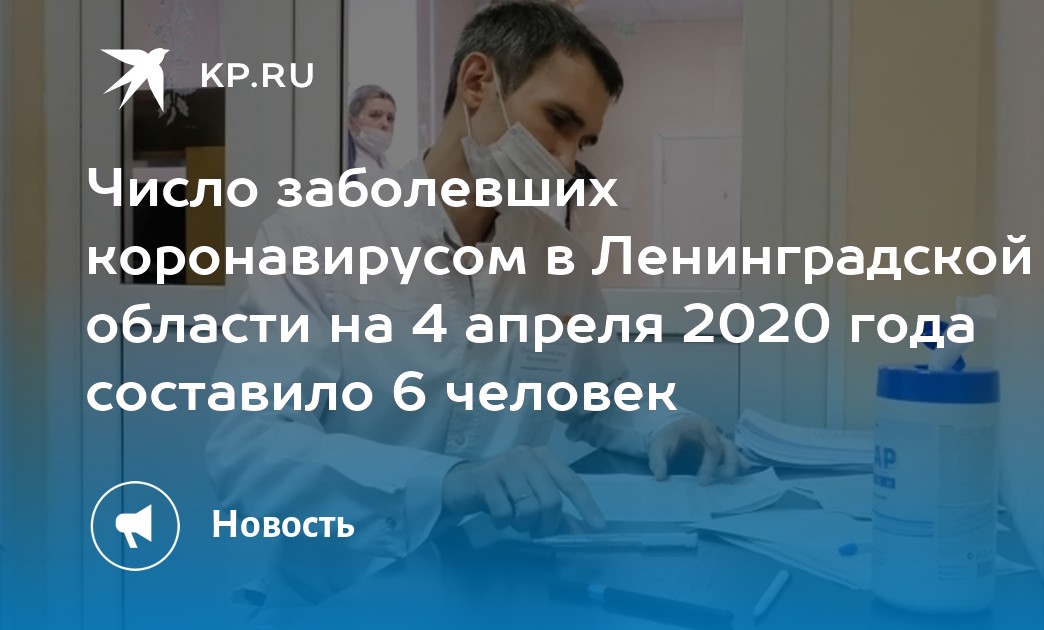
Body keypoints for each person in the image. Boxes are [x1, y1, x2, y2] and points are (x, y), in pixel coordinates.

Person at [207, 0, 746, 606]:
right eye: (558, 121)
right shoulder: (313, 237)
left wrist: (664, 425)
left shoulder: (555, 258)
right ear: (477, 82)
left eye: (583, 141)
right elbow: (248, 448)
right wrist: (449, 483)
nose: (567, 162)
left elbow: (601, 394)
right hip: (341, 592)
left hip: (495, 581)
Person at [345, 84, 396, 184]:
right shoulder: (342, 168)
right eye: (375, 115)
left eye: (390, 118)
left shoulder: (395, 172)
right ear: (351, 122)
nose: (385, 124)